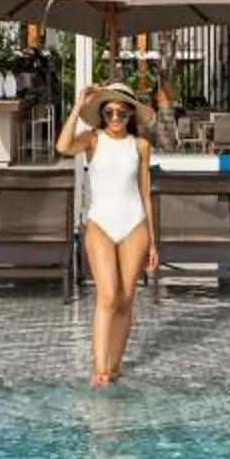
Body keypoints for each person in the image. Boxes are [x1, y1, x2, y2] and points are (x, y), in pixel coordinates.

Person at [57, 82, 156, 386]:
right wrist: (77, 107)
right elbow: (62, 147)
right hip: (99, 224)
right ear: (102, 113)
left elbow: (145, 192)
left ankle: (113, 368)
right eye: (110, 112)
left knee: (126, 300)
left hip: (135, 225)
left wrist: (153, 240)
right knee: (108, 295)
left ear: (130, 115)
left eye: (122, 113)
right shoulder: (91, 140)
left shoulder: (139, 146)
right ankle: (98, 369)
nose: (115, 118)